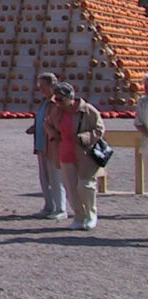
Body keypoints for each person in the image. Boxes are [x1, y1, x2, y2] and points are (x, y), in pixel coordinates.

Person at [45, 82, 105, 231]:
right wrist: (53, 135)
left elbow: (99, 129)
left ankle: (91, 215)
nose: (57, 102)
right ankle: (79, 216)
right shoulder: (57, 112)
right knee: (71, 188)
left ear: (70, 98)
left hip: (85, 155)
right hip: (65, 153)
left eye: (60, 99)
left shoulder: (88, 110)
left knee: (85, 186)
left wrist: (84, 137)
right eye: (56, 99)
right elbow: (47, 124)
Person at [25, 73, 67, 219]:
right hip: (41, 144)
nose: (40, 89)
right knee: (44, 177)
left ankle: (61, 208)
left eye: (43, 86)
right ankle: (49, 206)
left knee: (56, 177)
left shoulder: (57, 103)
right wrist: (34, 127)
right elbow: (43, 120)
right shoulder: (44, 102)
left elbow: (58, 122)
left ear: (52, 85)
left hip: (52, 145)